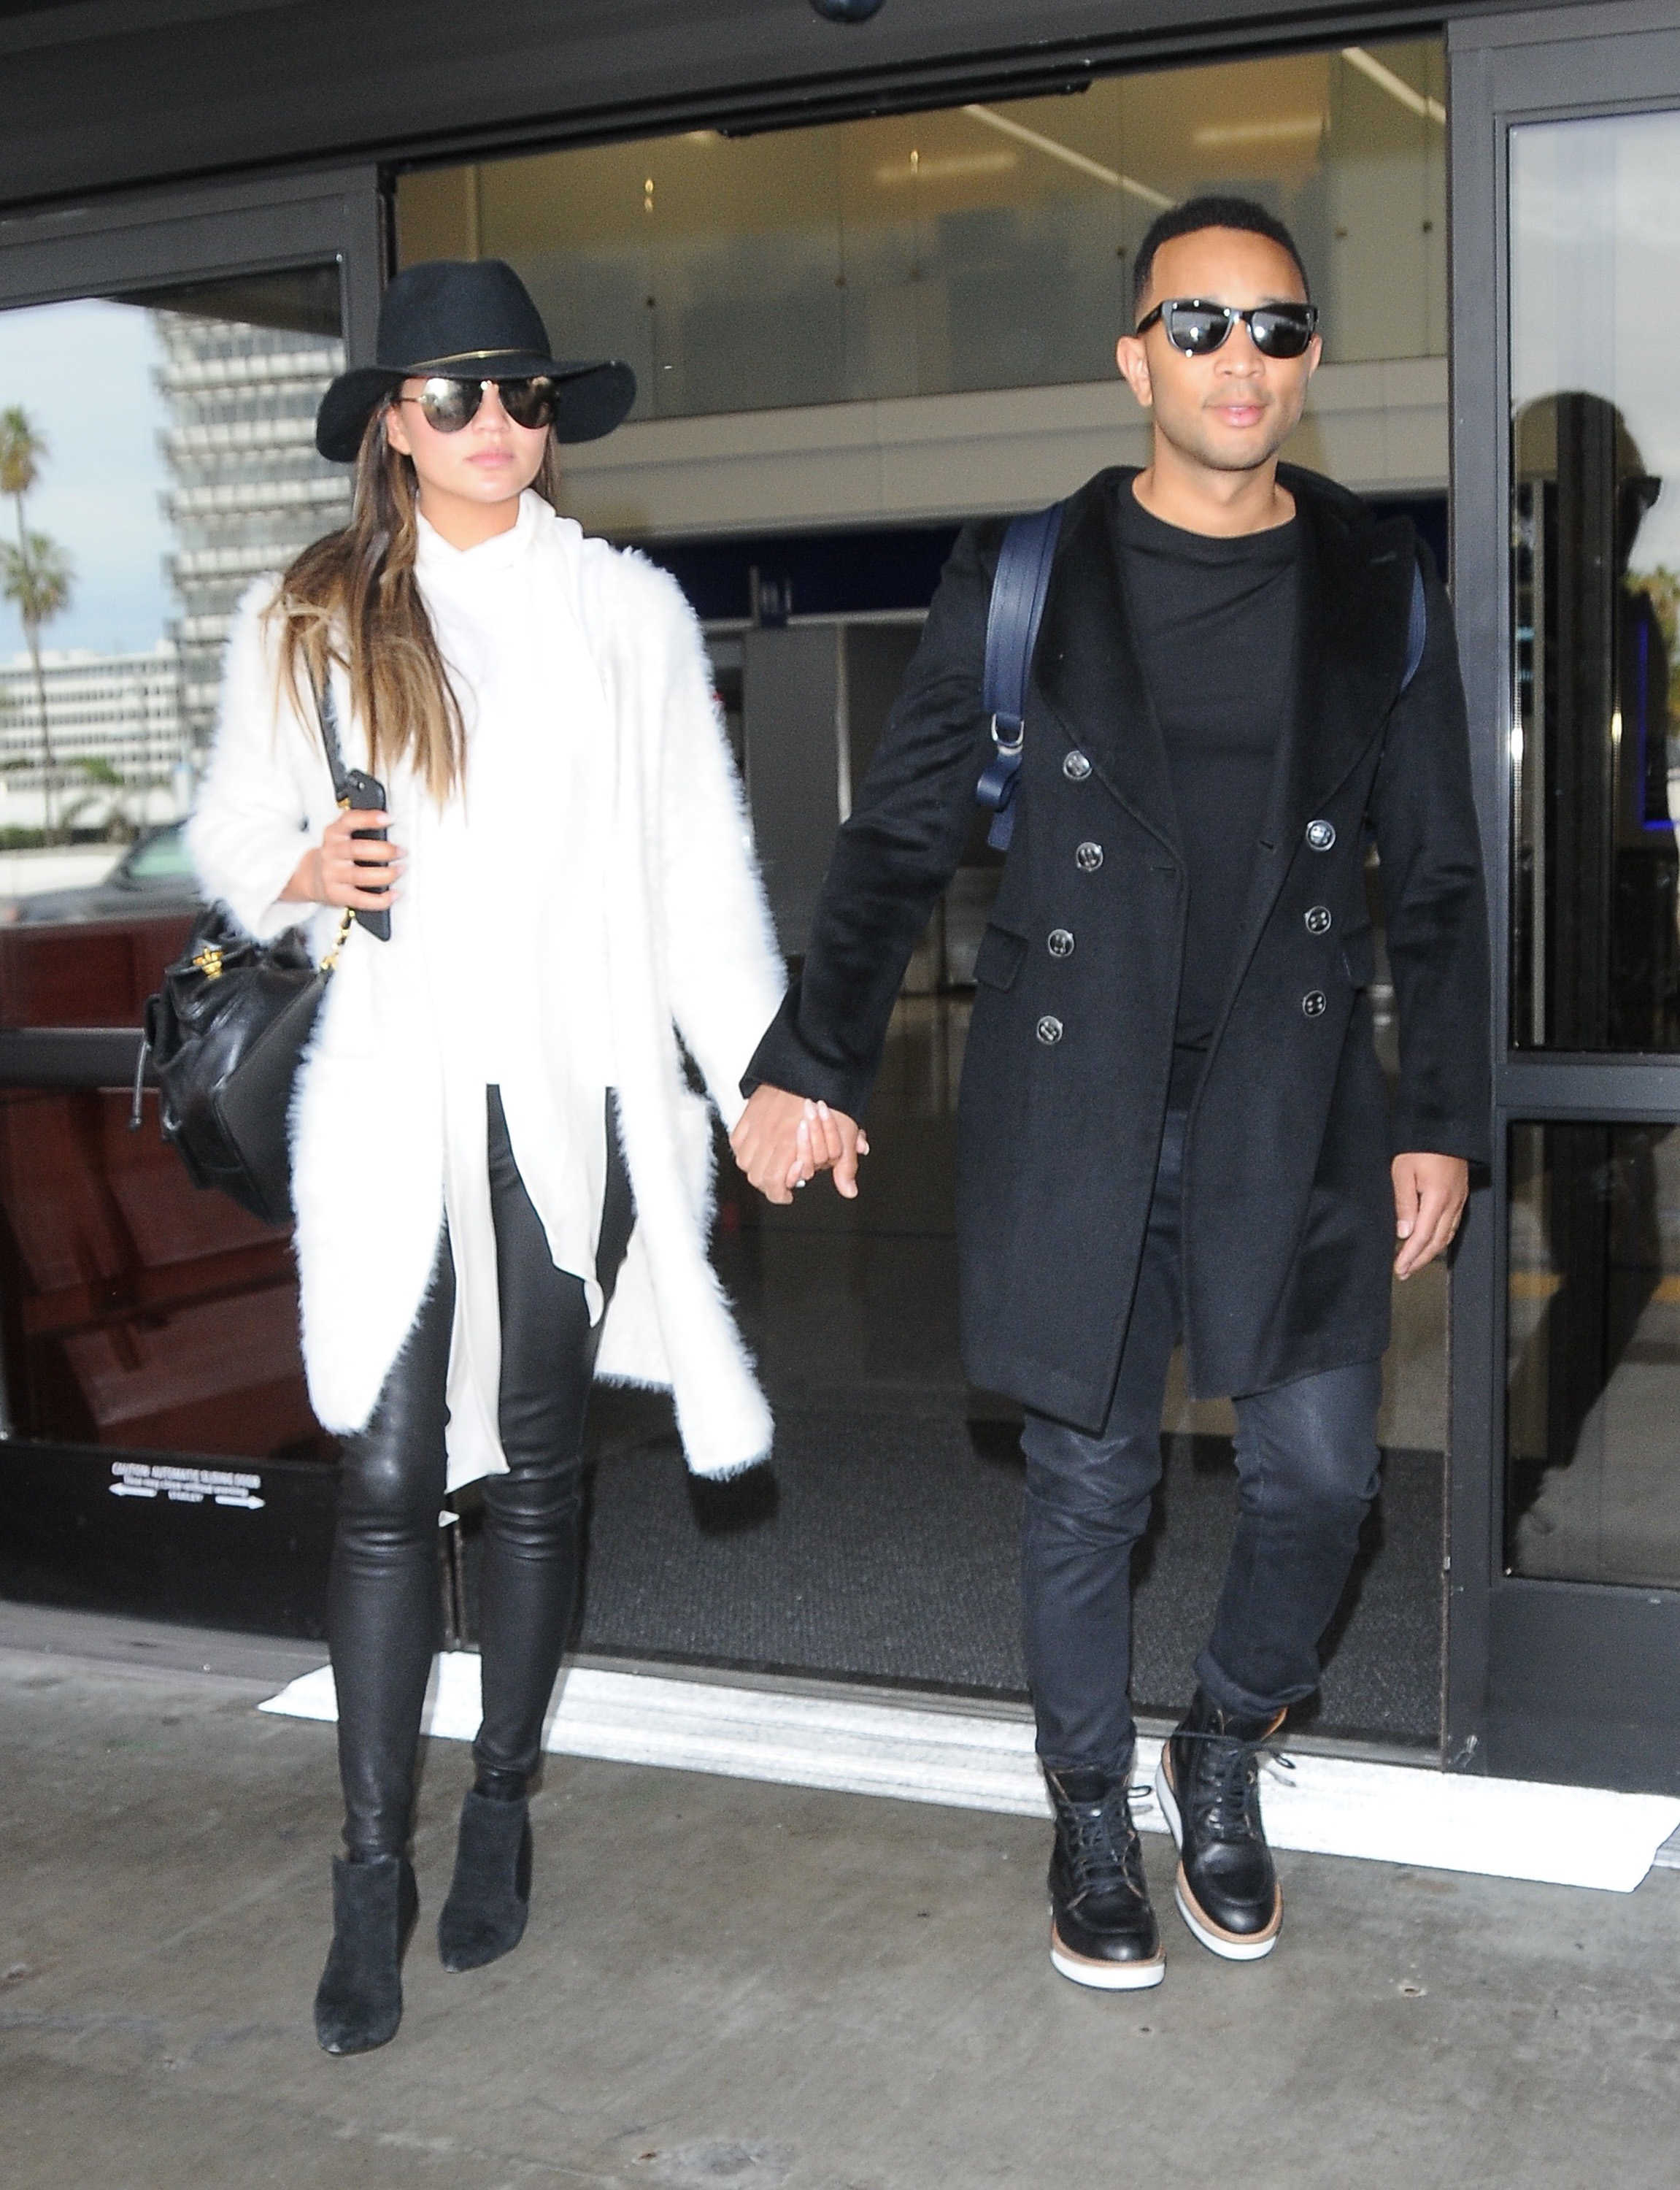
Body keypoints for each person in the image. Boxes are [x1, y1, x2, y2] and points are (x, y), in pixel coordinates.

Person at [731, 196, 1490, 1990]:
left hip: (1293, 1113)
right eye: (1202, 325)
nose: (1244, 359)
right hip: (1074, 1112)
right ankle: (1086, 1804)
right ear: (1133, 358)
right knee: (1091, 1490)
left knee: (1317, 1482)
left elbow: (1438, 880)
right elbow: (896, 836)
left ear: (1310, 363)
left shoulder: (1377, 588)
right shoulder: (1019, 577)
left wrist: (1438, 1111)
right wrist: (809, 1061)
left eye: (1279, 327)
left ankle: (1221, 1736)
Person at [190, 259, 784, 2053]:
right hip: (387, 1104)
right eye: (454, 398)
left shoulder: (629, 617)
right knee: (379, 1487)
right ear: (389, 418)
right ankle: (370, 1868)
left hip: (573, 1105)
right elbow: (228, 821)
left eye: (521, 397)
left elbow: (701, 878)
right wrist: (295, 877)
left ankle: (503, 1795)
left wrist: (759, 1078)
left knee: (532, 1474)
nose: (496, 429)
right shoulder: (306, 616)